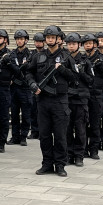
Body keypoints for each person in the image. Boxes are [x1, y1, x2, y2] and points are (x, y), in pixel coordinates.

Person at [26, 25, 76, 177]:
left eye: (52, 37)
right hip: (43, 101)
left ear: (58, 39)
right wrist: (33, 85)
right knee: (45, 135)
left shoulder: (67, 57)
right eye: (47, 38)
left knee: (60, 135)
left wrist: (62, 70)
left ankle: (60, 164)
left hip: (60, 101)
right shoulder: (38, 56)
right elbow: (29, 72)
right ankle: (47, 163)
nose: (50, 40)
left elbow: (74, 79)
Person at [65, 32, 93, 167]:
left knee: (81, 129)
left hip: (81, 99)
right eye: (69, 44)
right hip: (67, 98)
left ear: (79, 45)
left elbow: (91, 80)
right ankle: (69, 154)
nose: (71, 46)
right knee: (67, 129)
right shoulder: (63, 59)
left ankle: (79, 155)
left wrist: (81, 72)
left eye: (74, 44)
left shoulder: (85, 61)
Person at [7, 29, 32, 146]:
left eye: (21, 39)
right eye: (17, 39)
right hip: (14, 87)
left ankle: (24, 136)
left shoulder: (30, 55)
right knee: (15, 113)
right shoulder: (12, 54)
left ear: (26, 40)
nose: (19, 41)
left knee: (26, 114)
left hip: (25, 87)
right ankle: (15, 136)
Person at [83, 33, 103, 160]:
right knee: (82, 124)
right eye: (85, 43)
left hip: (96, 94)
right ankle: (83, 149)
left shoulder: (100, 59)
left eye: (89, 43)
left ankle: (94, 149)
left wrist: (102, 66)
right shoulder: (82, 58)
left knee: (95, 124)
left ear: (95, 45)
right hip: (84, 94)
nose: (87, 45)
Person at [29, 32, 45, 139]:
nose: (38, 43)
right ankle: (34, 131)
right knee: (33, 109)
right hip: (34, 84)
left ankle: (42, 131)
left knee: (42, 112)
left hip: (44, 85)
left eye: (40, 41)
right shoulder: (32, 54)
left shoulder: (46, 53)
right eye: (36, 41)